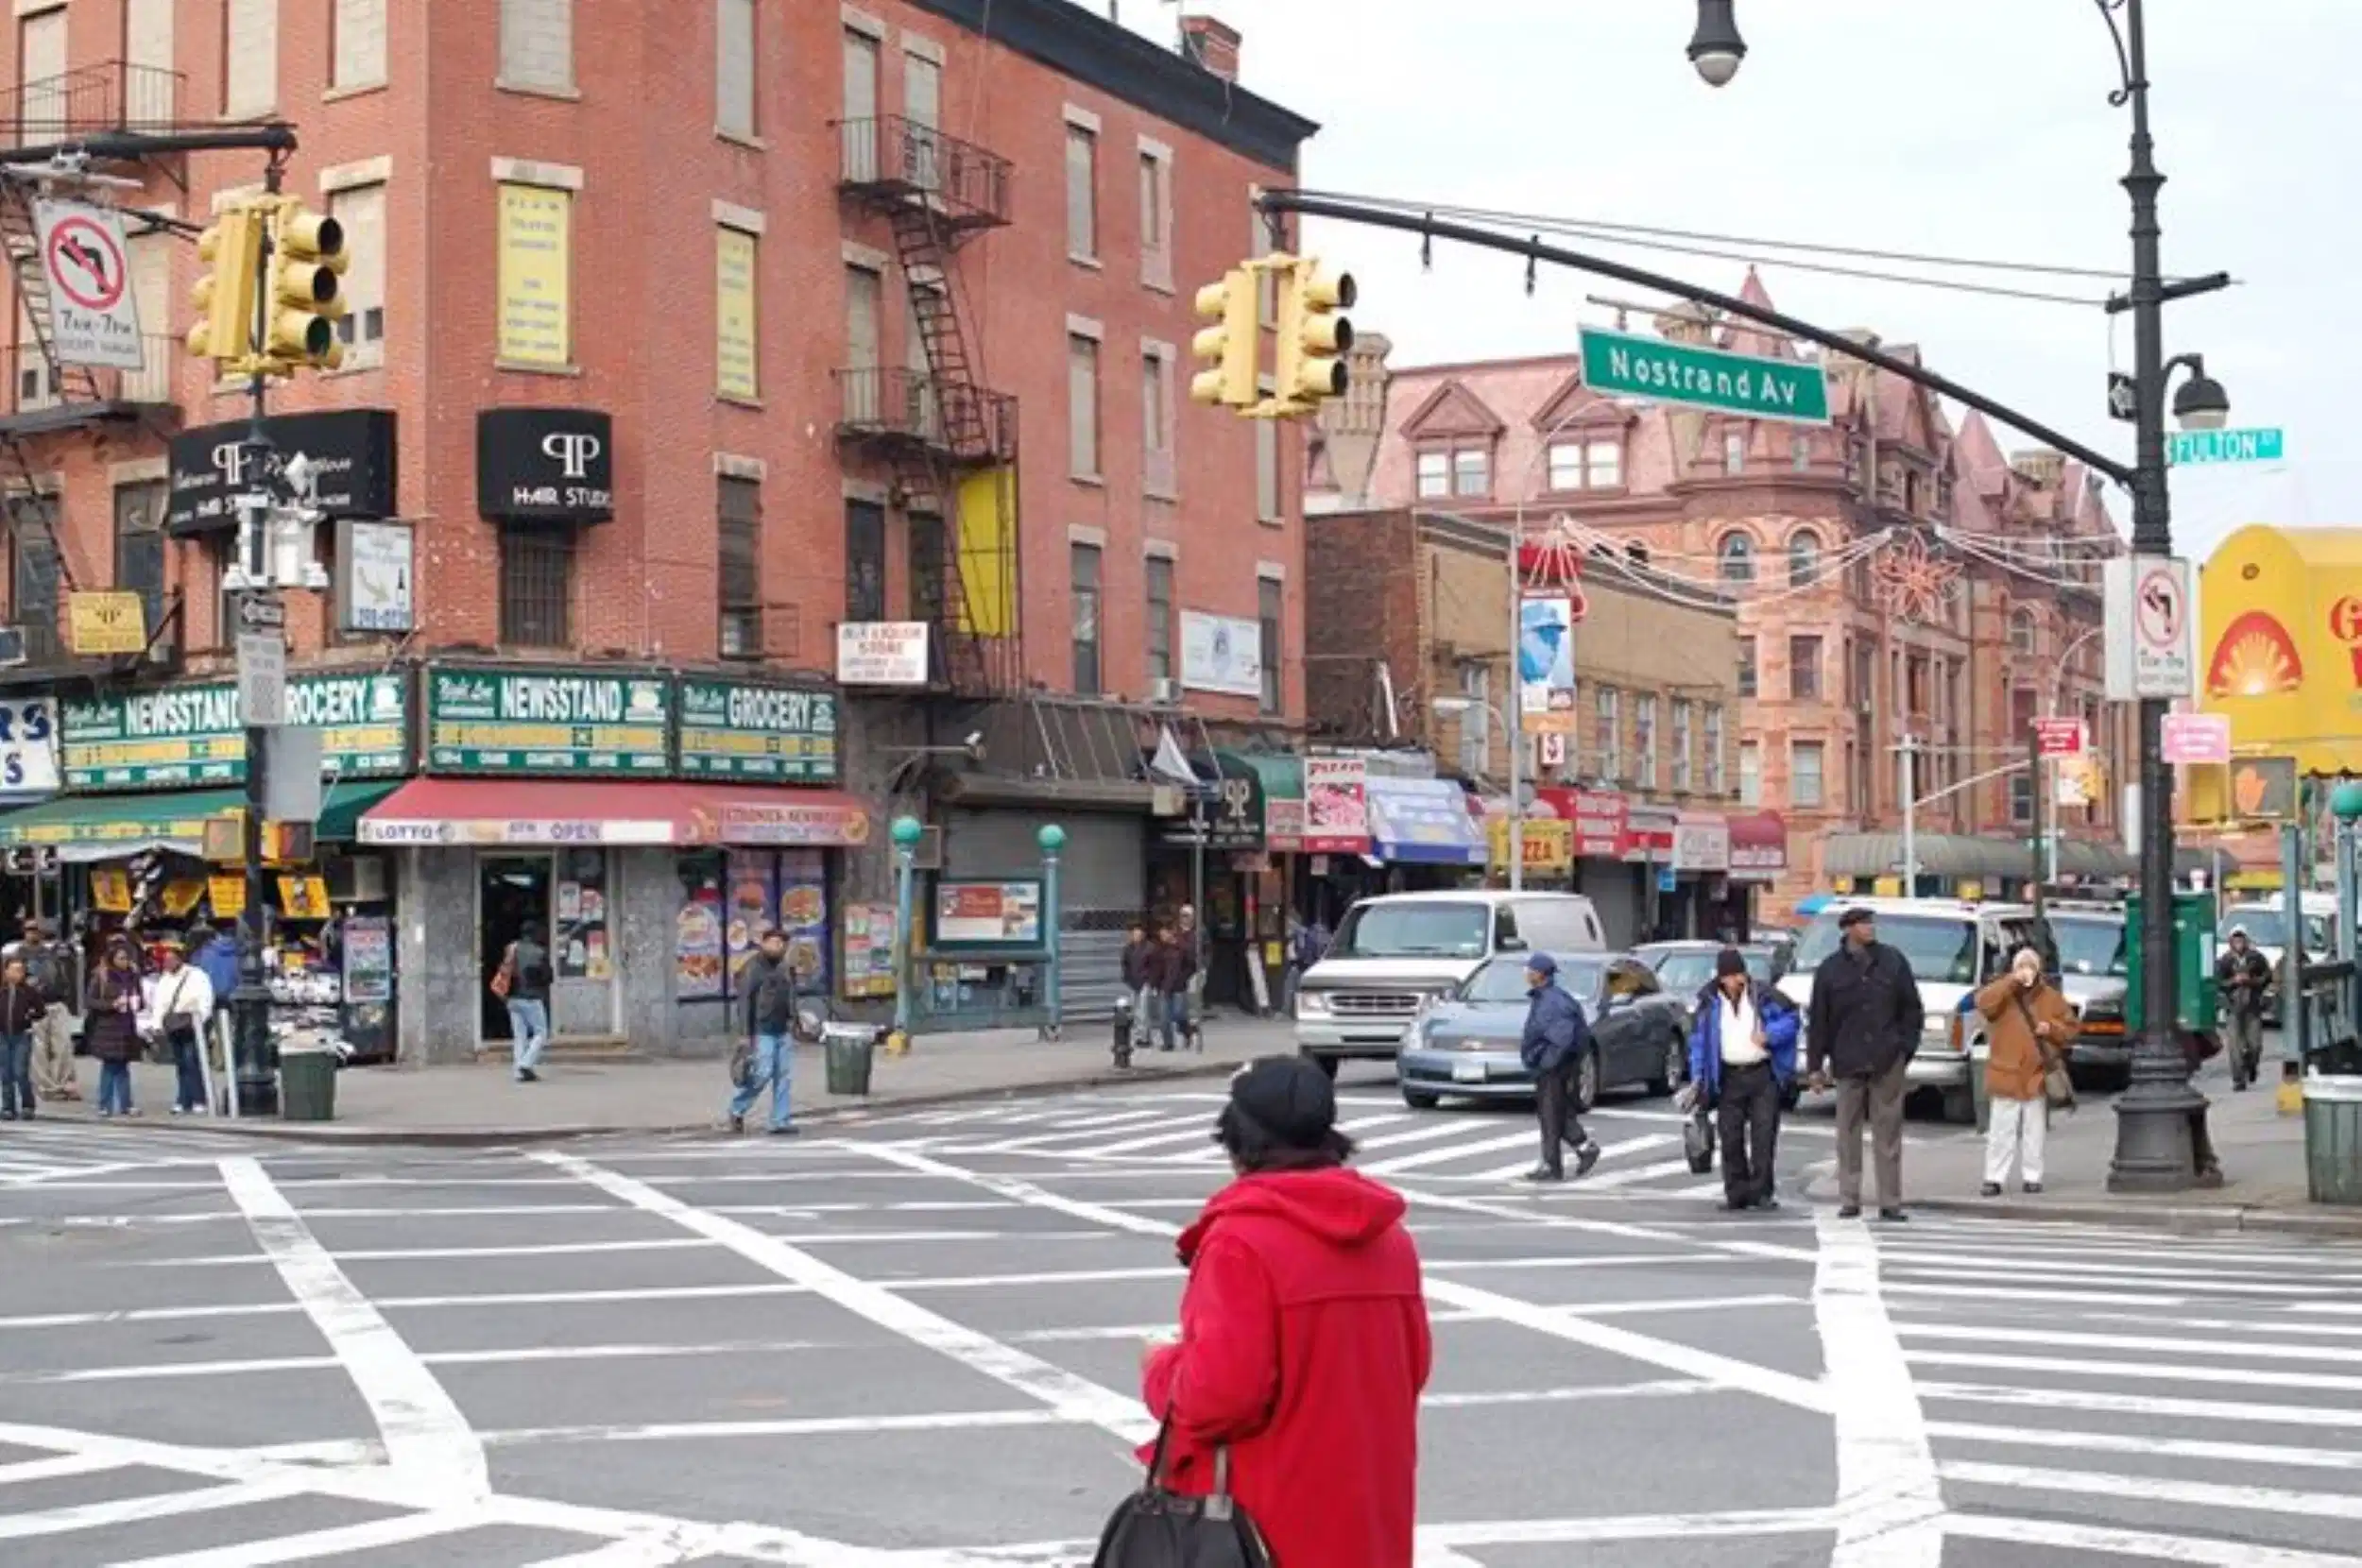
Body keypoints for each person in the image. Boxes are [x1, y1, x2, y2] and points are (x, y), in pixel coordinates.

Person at [1140, 1057, 1430, 1568]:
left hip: (1268, 1522)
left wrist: (1162, 1367)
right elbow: (1413, 1366)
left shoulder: (1241, 1244)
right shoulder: (1389, 1240)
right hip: (1369, 1511)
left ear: (1237, 1143)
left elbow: (1218, 1399)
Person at [1806, 907, 1925, 1221]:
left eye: (1871, 923)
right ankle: (1849, 1198)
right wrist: (1815, 1065)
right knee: (1848, 1133)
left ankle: (1890, 1201)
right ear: (1847, 929)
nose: (1870, 928)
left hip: (1887, 1059)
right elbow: (1819, 1020)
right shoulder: (1830, 970)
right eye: (1863, 924)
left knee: (1888, 1133)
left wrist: (1904, 1049)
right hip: (1847, 1060)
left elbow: (1912, 1009)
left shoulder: (1892, 961)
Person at [1686, 946, 1802, 1211]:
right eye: (1729, 976)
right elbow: (1699, 1043)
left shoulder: (1764, 995)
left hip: (1762, 1074)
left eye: (1739, 974)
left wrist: (1770, 1035)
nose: (1736, 981)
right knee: (1730, 1136)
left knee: (1764, 1136)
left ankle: (1762, 1192)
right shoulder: (1708, 1002)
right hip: (1729, 1076)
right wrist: (1698, 1078)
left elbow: (1793, 1019)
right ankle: (1736, 1193)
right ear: (1721, 978)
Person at [1976, 945, 2078, 1197]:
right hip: (2006, 1071)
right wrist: (2011, 981)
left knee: (2035, 1130)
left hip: (2036, 1072)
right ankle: (1994, 1177)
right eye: (2021, 966)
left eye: (2030, 966)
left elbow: (2071, 1028)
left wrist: (2051, 1028)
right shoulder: (2002, 992)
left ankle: (2033, 1176)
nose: (2026, 972)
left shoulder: (2051, 997)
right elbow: (1984, 1004)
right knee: (2001, 1130)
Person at [1519, 952, 1603, 1184]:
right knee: (1557, 1111)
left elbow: (1562, 1039)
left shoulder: (1554, 1002)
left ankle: (1551, 1165)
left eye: (1529, 969)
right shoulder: (1546, 998)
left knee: (1549, 1114)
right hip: (1552, 1065)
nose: (1525, 973)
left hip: (1554, 1067)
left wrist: (1547, 1064)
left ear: (1540, 974)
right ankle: (1584, 1148)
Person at [727, 929, 800, 1136]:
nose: (777, 947)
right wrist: (744, 1033)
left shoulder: (785, 968)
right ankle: (736, 1108)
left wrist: (794, 1019)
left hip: (782, 1029)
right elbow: (745, 1002)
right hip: (762, 1030)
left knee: (784, 1077)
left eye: (781, 944)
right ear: (764, 943)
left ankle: (780, 1120)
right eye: (773, 942)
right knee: (762, 1073)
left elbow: (792, 996)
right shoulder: (754, 968)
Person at [146, 940, 217, 1116]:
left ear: (180, 959)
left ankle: (198, 1099)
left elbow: (205, 999)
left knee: (192, 1061)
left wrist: (201, 1019)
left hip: (192, 1024)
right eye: (165, 960)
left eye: (171, 959)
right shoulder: (165, 979)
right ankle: (184, 1099)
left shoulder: (196, 975)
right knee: (181, 1064)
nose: (167, 963)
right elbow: (159, 1004)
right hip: (174, 1025)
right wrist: (156, 1024)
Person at [12, 919, 78, 1103]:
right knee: (39, 1050)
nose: (33, 933)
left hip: (56, 1003)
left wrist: (66, 995)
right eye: (29, 929)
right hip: (34, 1004)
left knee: (63, 1045)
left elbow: (62, 976)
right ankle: (47, 1088)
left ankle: (63, 1083)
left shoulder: (50, 953)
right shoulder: (19, 955)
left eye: (36, 930)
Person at [85, 940, 145, 1118]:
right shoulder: (102, 976)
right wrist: (111, 1004)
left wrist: (138, 1003)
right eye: (120, 958)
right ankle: (105, 1104)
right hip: (107, 1028)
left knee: (123, 1067)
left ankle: (126, 1105)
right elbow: (90, 1001)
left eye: (126, 958)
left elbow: (140, 997)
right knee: (110, 1067)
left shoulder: (133, 975)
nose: (124, 961)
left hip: (127, 1026)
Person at [2216, 926, 2269, 1091]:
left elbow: (2267, 976)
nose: (2238, 943)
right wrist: (2233, 981)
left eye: (2241, 939)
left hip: (2252, 1007)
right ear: (2230, 942)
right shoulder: (2224, 961)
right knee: (2234, 1046)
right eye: (2235, 939)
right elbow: (2217, 982)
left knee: (2255, 1045)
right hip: (2233, 1007)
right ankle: (2238, 1079)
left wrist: (2251, 981)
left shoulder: (2257, 958)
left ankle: (2251, 1066)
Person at [496, 921, 553, 1082]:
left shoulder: (511, 948)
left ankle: (518, 1072)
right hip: (532, 998)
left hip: (512, 998)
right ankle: (525, 1064)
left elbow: (506, 970)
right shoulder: (540, 952)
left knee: (519, 1035)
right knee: (541, 1032)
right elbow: (548, 977)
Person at [0, 955, 46, 1120]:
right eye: (14, 970)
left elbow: (41, 1011)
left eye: (20, 970)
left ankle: (27, 1105)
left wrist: (30, 1016)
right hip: (3, 1035)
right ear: (6, 972)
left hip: (22, 1035)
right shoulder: (2, 991)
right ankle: (8, 1107)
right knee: (6, 1073)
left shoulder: (29, 991)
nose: (17, 973)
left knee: (20, 1071)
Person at [1150, 921, 1195, 1052]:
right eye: (1161, 934)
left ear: (1171, 933)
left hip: (1178, 987)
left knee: (1178, 1014)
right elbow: (1155, 969)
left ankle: (1187, 1031)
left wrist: (1184, 978)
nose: (1163, 937)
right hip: (1163, 987)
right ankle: (1168, 1043)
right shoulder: (1158, 949)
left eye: (1165, 933)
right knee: (1164, 1018)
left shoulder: (1181, 948)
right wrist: (1154, 984)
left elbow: (1191, 964)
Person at [1119, 923, 1155, 1048]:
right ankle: (1140, 1035)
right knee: (1135, 1010)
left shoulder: (1149, 948)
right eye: (1134, 934)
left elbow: (1153, 965)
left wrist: (1150, 980)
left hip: (1145, 982)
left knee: (1143, 1010)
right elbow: (1125, 964)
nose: (1137, 936)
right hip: (1133, 983)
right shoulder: (1128, 949)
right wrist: (1127, 978)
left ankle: (1145, 1037)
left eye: (1139, 934)